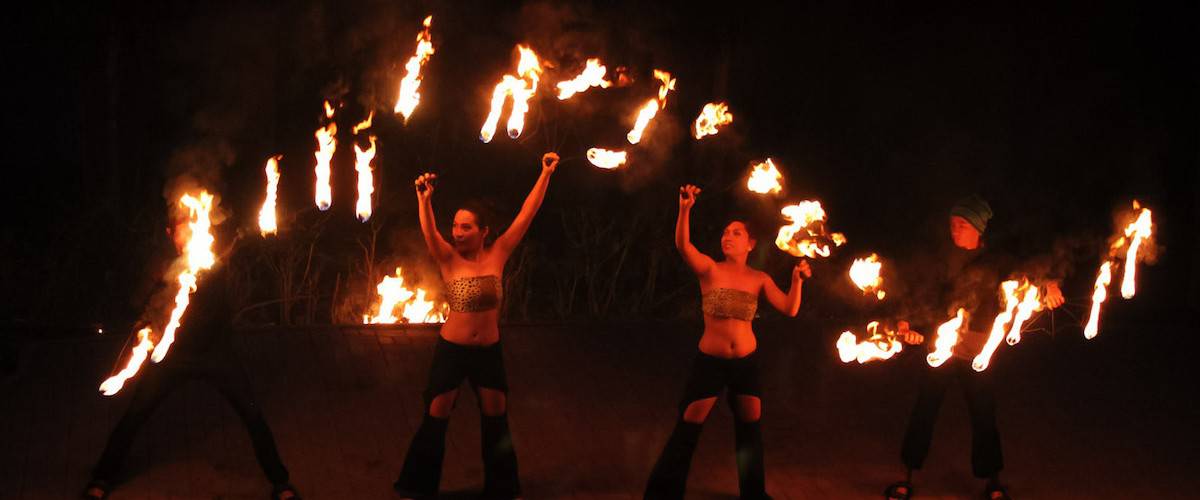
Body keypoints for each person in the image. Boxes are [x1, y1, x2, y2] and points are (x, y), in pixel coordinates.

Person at [83, 223, 299, 500]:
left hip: (216, 353)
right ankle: (101, 478)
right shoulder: (160, 265)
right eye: (179, 231)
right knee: (135, 413)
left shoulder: (212, 256)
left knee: (252, 414)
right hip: (171, 357)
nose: (186, 236)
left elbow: (241, 245)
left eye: (190, 229)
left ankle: (281, 483)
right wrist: (149, 309)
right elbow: (139, 304)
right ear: (169, 233)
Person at [393, 152, 558, 499]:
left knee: (496, 419)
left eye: (465, 227)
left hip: (488, 352)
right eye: (455, 226)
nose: (457, 232)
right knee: (436, 416)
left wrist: (545, 174)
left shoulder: (499, 252)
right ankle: (417, 488)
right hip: (452, 351)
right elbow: (429, 231)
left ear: (484, 232)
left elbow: (527, 213)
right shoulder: (448, 258)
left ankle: (502, 489)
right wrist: (424, 200)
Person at [884, 194, 1064, 500]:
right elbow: (917, 295)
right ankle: (907, 474)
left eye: (962, 225)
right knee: (924, 410)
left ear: (978, 229)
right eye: (952, 224)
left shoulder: (998, 260)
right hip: (940, 350)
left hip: (977, 353)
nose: (955, 230)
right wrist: (904, 325)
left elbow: (1032, 271)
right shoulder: (942, 261)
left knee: (983, 415)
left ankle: (992, 482)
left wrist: (1050, 284)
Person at [644, 184, 810, 500]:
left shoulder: (759, 278)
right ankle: (664, 494)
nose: (727, 237)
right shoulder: (710, 269)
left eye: (736, 233)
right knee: (689, 424)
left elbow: (790, 308)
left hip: (746, 363)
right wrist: (685, 208)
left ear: (750, 243)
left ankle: (753, 494)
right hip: (711, 362)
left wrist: (796, 281)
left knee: (750, 429)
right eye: (725, 233)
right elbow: (683, 245)